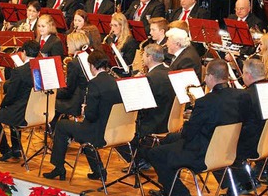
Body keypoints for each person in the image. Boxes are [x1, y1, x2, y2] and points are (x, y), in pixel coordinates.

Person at [146, 59, 248, 196]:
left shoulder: (205, 102)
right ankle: (170, 187)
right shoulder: (241, 96)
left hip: (202, 154)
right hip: (226, 149)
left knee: (155, 154)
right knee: (168, 140)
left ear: (212, 77)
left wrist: (188, 121)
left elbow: (188, 134)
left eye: (206, 76)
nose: (205, 79)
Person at [44, 49, 123, 181]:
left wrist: (84, 109)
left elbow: (91, 115)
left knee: (62, 125)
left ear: (92, 66)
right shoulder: (115, 81)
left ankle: (59, 167)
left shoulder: (94, 83)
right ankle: (98, 170)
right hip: (112, 129)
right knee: (81, 131)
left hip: (97, 132)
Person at [214, 58, 265, 196]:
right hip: (267, 140)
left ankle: (234, 185)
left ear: (248, 75)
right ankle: (249, 180)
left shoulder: (246, 95)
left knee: (214, 145)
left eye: (243, 73)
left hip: (252, 143)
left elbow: (235, 121)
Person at [117, 43, 174, 170]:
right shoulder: (170, 72)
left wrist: (136, 84)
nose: (142, 58)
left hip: (153, 123)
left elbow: (141, 106)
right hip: (168, 120)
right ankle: (144, 158)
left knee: (118, 128)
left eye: (143, 55)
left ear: (149, 57)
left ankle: (141, 158)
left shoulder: (150, 78)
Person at [0, 40, 39, 161]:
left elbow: (11, 95)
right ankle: (16, 148)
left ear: (23, 52)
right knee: (11, 109)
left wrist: (3, 105)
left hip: (23, 114)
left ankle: (5, 150)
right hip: (37, 112)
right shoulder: (41, 67)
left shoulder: (19, 71)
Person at [53, 31, 90, 122]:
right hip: (88, 98)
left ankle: (55, 132)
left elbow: (68, 90)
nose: (67, 46)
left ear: (74, 44)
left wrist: (54, 92)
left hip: (77, 102)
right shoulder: (87, 56)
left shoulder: (74, 63)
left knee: (51, 101)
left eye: (68, 44)